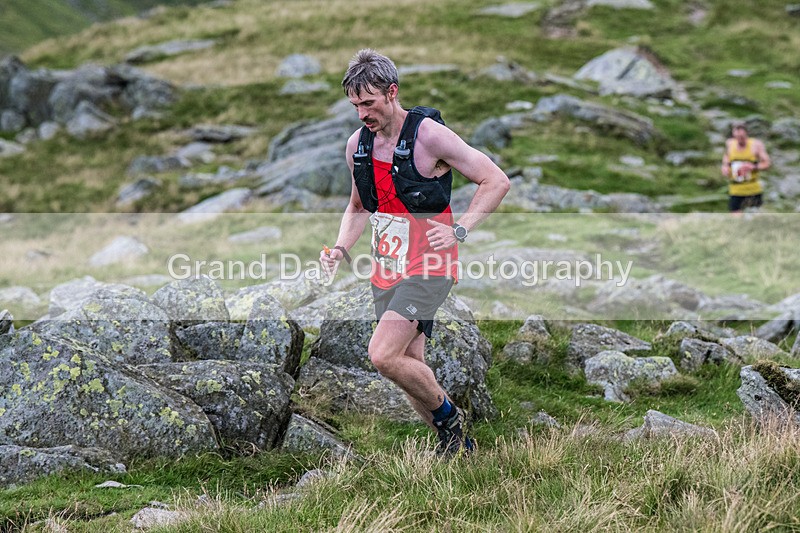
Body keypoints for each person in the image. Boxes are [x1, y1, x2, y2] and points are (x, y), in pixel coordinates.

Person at [320, 49, 509, 457]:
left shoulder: (430, 137)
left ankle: (450, 421)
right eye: (354, 105)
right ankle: (458, 450)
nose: (361, 115)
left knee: (382, 354)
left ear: (392, 92)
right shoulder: (358, 145)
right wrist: (339, 248)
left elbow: (495, 180)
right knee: (408, 363)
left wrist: (460, 230)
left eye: (368, 103)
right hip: (387, 265)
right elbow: (357, 207)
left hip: (431, 264)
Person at [720, 122, 771, 213]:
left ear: (746, 134)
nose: (739, 140)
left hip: (753, 189)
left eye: (742, 137)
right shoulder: (730, 144)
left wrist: (753, 167)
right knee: (735, 216)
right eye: (737, 137)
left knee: (756, 218)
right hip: (735, 189)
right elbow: (726, 159)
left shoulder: (756, 145)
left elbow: (767, 163)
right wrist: (725, 168)